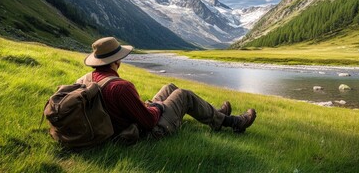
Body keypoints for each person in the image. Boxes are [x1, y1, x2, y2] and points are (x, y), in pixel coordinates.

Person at [79, 37, 256, 142]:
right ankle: (232, 122)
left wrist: (150, 106)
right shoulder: (120, 87)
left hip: (120, 124)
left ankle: (214, 113)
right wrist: (158, 107)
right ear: (116, 61)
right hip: (145, 132)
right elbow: (148, 121)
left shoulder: (86, 80)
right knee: (183, 95)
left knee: (169, 87)